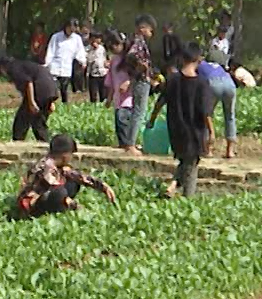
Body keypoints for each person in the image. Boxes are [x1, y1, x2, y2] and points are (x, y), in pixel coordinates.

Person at [151, 42, 215, 198]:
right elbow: (205, 111)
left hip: (175, 129)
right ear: (198, 59)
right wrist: (212, 132)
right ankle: (188, 198)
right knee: (192, 164)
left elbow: (160, 102)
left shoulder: (172, 80)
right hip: (195, 131)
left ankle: (172, 186)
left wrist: (152, 119)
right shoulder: (201, 83)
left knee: (186, 161)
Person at [10, 134, 115, 219]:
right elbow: (57, 191)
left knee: (73, 182)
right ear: (65, 155)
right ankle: (51, 214)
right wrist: (81, 209)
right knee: (60, 192)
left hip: (46, 198)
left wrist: (103, 187)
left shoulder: (59, 166)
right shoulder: (45, 167)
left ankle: (59, 209)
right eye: (71, 154)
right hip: (32, 206)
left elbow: (79, 176)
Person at [0, 53, 59, 143]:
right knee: (38, 120)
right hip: (49, 87)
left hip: (40, 89)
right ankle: (43, 141)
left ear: (2, 67)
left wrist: (32, 102)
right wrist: (50, 100)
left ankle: (18, 140)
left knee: (23, 118)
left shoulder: (14, 68)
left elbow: (28, 83)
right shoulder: (23, 65)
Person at [117, 16, 156, 152]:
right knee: (139, 111)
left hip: (141, 79)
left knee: (138, 111)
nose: (151, 33)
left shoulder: (139, 41)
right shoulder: (139, 41)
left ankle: (131, 142)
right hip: (140, 80)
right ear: (142, 28)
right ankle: (130, 144)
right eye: (150, 30)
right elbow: (131, 55)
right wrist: (142, 66)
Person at [200, 54, 239, 159]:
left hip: (213, 83)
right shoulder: (217, 66)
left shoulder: (197, 65)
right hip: (229, 83)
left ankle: (208, 150)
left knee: (207, 114)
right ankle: (229, 151)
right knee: (230, 115)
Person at [45, 20, 86, 104]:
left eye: (73, 30)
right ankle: (51, 105)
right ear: (66, 27)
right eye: (70, 29)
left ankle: (65, 105)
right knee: (53, 89)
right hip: (55, 66)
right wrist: (47, 63)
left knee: (64, 88)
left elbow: (80, 51)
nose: (71, 32)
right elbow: (50, 51)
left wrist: (82, 61)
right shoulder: (56, 37)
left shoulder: (76, 38)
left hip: (66, 68)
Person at [86, 32, 109, 104]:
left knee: (103, 94)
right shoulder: (87, 49)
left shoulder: (102, 48)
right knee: (93, 94)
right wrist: (93, 50)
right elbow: (88, 60)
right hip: (92, 74)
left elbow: (105, 58)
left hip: (102, 73)